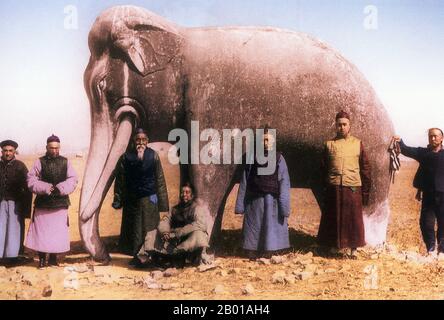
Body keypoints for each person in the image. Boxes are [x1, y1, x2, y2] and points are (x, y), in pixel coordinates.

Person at [317, 111, 371, 258]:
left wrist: (365, 192)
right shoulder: (329, 144)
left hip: (352, 186)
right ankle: (334, 246)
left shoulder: (358, 144)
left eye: (344, 124)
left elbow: (365, 168)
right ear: (336, 126)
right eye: (339, 125)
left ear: (349, 125)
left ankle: (354, 248)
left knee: (353, 218)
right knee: (333, 216)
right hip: (334, 185)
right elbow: (322, 168)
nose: (341, 127)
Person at [112, 128, 169, 266]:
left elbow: (160, 180)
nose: (141, 143)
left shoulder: (153, 155)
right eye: (138, 139)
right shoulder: (126, 157)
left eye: (144, 140)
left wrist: (163, 205)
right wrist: (118, 200)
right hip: (132, 201)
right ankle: (136, 258)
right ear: (134, 140)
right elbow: (120, 181)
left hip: (150, 200)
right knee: (134, 231)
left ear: (147, 141)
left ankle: (152, 256)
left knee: (150, 229)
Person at [234, 130, 291, 260]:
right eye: (263, 140)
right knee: (255, 224)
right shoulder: (252, 157)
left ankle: (270, 249)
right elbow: (245, 180)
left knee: (271, 224)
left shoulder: (279, 158)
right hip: (255, 201)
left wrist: (284, 207)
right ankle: (252, 250)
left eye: (268, 140)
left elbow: (284, 182)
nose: (266, 143)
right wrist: (240, 205)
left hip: (272, 201)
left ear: (273, 141)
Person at [25, 135, 78, 268]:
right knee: (41, 232)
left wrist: (61, 188)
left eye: (56, 148)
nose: (54, 151)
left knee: (56, 232)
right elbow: (31, 180)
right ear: (46, 147)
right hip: (43, 203)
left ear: (59, 148)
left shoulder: (66, 162)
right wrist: (45, 187)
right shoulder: (39, 162)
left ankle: (53, 259)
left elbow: (73, 179)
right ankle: (42, 260)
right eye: (51, 148)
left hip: (60, 203)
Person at [393, 128, 444, 259]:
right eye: (430, 136)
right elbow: (406, 150)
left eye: (436, 136)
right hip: (428, 195)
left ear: (442, 138)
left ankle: (442, 251)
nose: (433, 138)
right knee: (426, 223)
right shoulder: (423, 153)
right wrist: (400, 141)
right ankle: (431, 249)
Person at [137, 182, 212, 267]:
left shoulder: (197, 208)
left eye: (187, 192)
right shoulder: (175, 209)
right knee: (153, 233)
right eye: (182, 192)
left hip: (188, 240)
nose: (184, 195)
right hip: (174, 241)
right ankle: (146, 259)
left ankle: (196, 258)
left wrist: (178, 233)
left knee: (199, 235)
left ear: (192, 195)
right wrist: (165, 232)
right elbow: (165, 220)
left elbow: (200, 224)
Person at [0, 140, 32, 266]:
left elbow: (28, 187)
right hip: (1, 203)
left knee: (14, 229)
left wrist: (26, 208)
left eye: (10, 151)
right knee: (0, 228)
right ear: (2, 152)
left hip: (16, 203)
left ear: (14, 152)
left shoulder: (20, 166)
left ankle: (13, 257)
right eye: (5, 151)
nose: (8, 153)